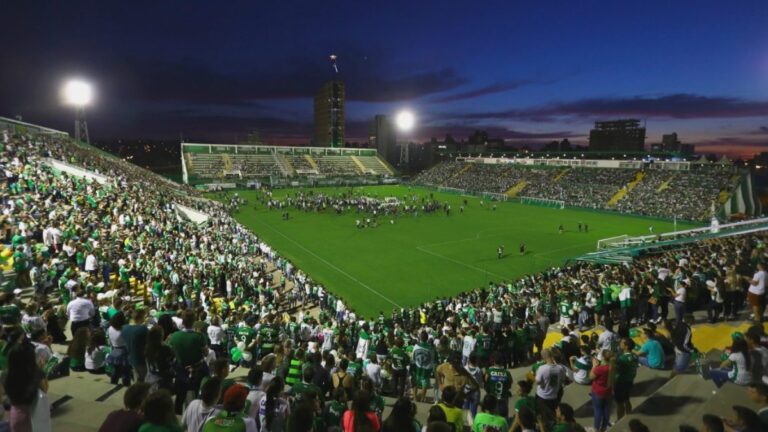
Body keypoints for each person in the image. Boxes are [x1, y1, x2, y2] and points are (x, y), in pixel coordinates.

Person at [5, 339, 51, 432]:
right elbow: (45, 389)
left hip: (15, 414)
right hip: (32, 415)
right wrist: (41, 371)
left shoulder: (6, 374)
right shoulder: (35, 374)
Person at [168, 310, 208, 413]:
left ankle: (177, 413)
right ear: (194, 321)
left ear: (183, 322)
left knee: (180, 395)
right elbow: (206, 353)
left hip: (180, 369)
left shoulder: (174, 336)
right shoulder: (199, 336)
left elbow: (171, 351)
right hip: (197, 369)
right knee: (198, 390)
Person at [534, 349, 568, 413]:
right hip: (553, 396)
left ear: (543, 357)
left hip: (542, 396)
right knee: (553, 413)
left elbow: (537, 382)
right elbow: (562, 379)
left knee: (542, 414)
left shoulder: (541, 368)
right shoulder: (560, 368)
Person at [122, 308, 149, 383]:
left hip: (130, 358)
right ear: (141, 317)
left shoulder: (124, 328)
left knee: (137, 378)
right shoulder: (142, 329)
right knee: (143, 380)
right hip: (141, 359)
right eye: (145, 316)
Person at [589, 350, 614, 432]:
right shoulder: (613, 366)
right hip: (608, 392)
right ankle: (603, 428)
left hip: (598, 392)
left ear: (603, 357)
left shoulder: (600, 369)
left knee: (598, 411)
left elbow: (591, 377)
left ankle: (596, 429)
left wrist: (594, 366)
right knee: (607, 411)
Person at [614, 338, 638, 420]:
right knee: (627, 399)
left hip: (620, 383)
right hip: (629, 381)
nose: (620, 344)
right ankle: (629, 415)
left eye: (621, 343)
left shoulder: (622, 359)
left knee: (619, 404)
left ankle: (619, 420)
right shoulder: (634, 355)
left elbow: (615, 371)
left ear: (626, 346)